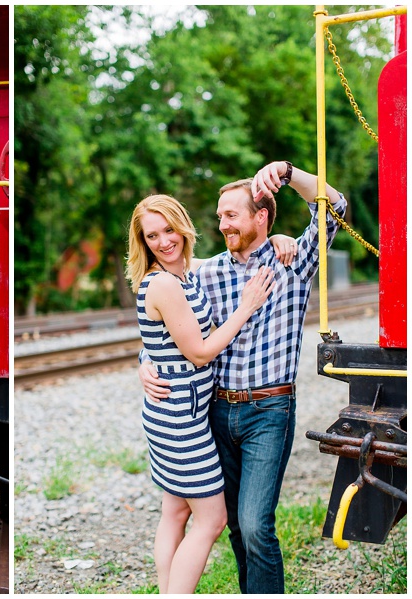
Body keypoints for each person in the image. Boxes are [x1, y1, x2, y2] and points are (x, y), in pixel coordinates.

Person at [139, 161, 348, 594]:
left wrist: (288, 174)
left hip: (269, 411)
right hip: (214, 410)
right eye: (219, 217)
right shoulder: (205, 271)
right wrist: (144, 360)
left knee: (255, 525)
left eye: (230, 215)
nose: (221, 224)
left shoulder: (293, 263)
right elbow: (169, 325)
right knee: (233, 525)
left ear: (262, 216)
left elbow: (335, 207)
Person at [127, 194, 276, 593]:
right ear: (143, 242)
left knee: (175, 511)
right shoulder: (163, 284)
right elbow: (199, 352)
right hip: (179, 419)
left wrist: (278, 240)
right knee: (212, 520)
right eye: (152, 236)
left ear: (182, 226)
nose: (163, 241)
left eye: (168, 229)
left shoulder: (186, 273)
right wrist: (246, 307)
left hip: (176, 410)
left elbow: (161, 340)